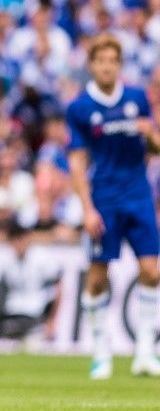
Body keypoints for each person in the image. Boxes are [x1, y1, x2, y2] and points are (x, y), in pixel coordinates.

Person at [66, 34, 160, 379]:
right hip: (103, 199)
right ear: (92, 65)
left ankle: (146, 352)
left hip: (138, 195)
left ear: (119, 65)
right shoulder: (79, 108)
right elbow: (77, 163)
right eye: (101, 61)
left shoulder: (137, 98)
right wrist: (88, 209)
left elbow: (157, 148)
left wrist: (150, 134)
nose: (107, 66)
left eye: (113, 61)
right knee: (97, 276)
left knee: (152, 271)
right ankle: (101, 349)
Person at [0, 220, 62, 346]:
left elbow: (58, 289)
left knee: (6, 327)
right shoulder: (9, 261)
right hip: (13, 310)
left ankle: (32, 335)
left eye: (20, 239)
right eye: (14, 240)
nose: (17, 244)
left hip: (33, 313)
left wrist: (51, 320)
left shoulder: (42, 258)